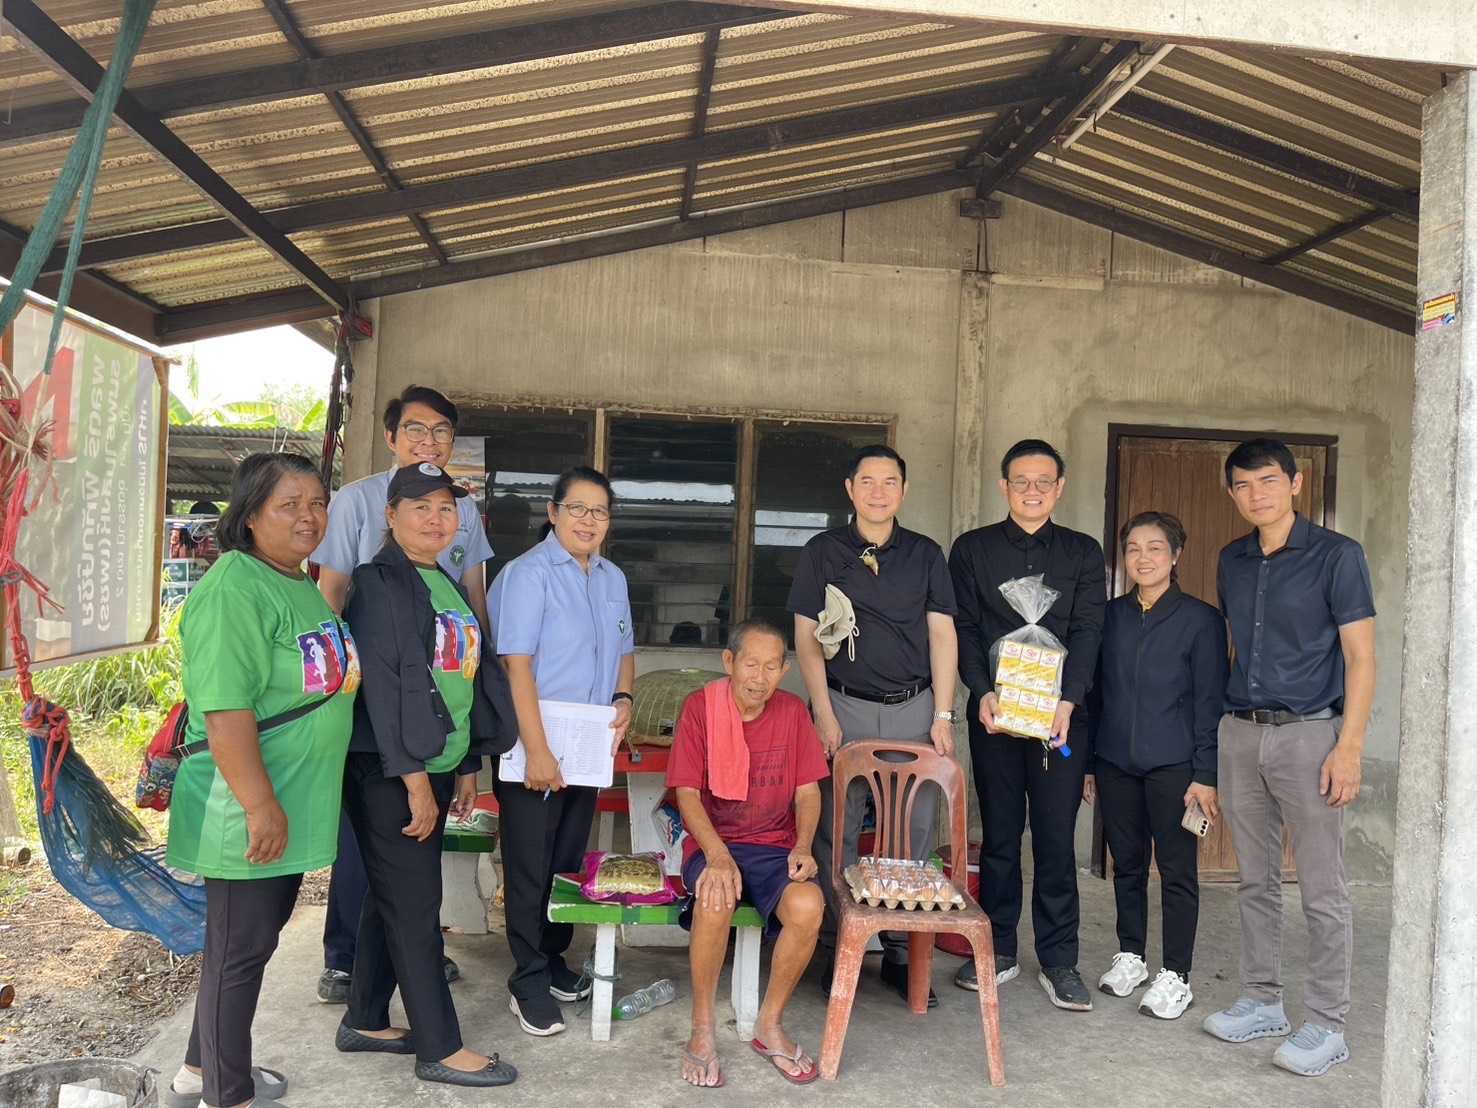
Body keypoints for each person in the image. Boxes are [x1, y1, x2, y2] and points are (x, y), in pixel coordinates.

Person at [165, 452, 358, 1108]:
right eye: (289, 504)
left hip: (287, 803)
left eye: (317, 503)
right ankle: (228, 1094)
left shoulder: (297, 582)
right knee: (239, 950)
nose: (309, 516)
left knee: (247, 943)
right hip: (243, 806)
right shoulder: (234, 588)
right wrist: (259, 804)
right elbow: (225, 711)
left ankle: (200, 1070)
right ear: (249, 516)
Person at [334, 462, 517, 1088]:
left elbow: (459, 678)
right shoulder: (378, 581)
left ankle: (364, 1018)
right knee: (415, 905)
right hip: (391, 770)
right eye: (421, 507)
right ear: (390, 516)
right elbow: (385, 687)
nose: (437, 519)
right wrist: (414, 780)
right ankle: (440, 1047)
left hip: (434, 763)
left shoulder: (442, 580)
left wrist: (465, 764)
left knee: (393, 892)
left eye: (446, 507)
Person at [308, 385, 493, 1004]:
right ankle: (344, 959)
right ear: (391, 437)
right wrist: (340, 686)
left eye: (442, 431)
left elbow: (471, 595)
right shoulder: (358, 500)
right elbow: (333, 592)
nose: (429, 440)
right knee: (367, 836)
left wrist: (479, 677)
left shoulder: (461, 509)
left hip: (438, 700)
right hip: (375, 690)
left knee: (416, 844)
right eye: (416, 429)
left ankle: (402, 961)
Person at [1201, 438, 1375, 1078]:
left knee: (1323, 888)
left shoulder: (1338, 555)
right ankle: (1263, 999)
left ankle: (1327, 1022)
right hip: (1242, 732)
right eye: (1244, 485)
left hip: (1311, 736)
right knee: (1255, 878)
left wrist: (1349, 747)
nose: (1257, 494)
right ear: (1232, 493)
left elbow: (1360, 656)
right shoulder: (1232, 560)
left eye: (1269, 481)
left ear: (1296, 484)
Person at [786, 444, 958, 1006]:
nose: (878, 491)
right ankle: (839, 947)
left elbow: (942, 635)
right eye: (867, 481)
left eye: (889, 482)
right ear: (850, 488)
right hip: (845, 705)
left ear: (904, 491)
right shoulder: (823, 551)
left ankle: (904, 954)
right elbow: (806, 637)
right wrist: (823, 711)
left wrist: (942, 714)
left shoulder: (926, 554)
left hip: (913, 707)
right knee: (835, 829)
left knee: (912, 829)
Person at [948, 438, 1105, 1011]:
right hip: (995, 715)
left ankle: (1060, 959)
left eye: (1044, 481)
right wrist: (982, 690)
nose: (1032, 491)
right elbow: (965, 627)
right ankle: (997, 948)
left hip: (1063, 719)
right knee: (1000, 835)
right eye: (1021, 481)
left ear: (1059, 488)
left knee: (1057, 840)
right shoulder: (973, 549)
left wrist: (1069, 700)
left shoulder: (1083, 552)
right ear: (1004, 486)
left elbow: (1088, 630)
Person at [487, 465, 636, 1036]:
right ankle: (526, 979)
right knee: (529, 865)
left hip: (588, 744)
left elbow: (624, 649)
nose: (588, 520)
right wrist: (538, 750)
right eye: (577, 508)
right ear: (553, 513)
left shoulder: (612, 577)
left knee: (566, 860)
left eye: (600, 511)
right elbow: (515, 666)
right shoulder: (527, 575)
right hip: (537, 743)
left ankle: (551, 960)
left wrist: (625, 696)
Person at [667, 618, 829, 1088]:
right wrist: (717, 856)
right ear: (729, 662)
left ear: (784, 670)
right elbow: (686, 793)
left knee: (809, 906)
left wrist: (803, 845)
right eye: (750, 664)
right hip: (715, 841)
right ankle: (702, 1028)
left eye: (772, 667)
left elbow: (807, 792)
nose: (760, 677)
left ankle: (769, 1024)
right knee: (715, 897)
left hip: (775, 845)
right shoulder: (701, 708)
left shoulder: (793, 712)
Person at [1086, 511, 1227, 1020]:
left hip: (1175, 766)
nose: (1143, 558)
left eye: (1155, 548)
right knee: (1126, 864)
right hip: (1114, 762)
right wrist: (1088, 763)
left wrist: (1206, 774)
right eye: (1133, 549)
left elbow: (1211, 703)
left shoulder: (1201, 620)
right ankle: (1132, 955)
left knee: (1175, 870)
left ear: (1176, 555)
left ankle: (1177, 975)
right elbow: (1095, 694)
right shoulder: (1110, 616)